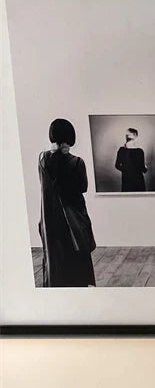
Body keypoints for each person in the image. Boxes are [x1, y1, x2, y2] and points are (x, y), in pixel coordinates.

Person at [38, 118, 96, 287]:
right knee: (77, 261)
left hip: (50, 220)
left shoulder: (42, 160)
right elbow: (83, 188)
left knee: (56, 258)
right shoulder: (77, 162)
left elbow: (46, 187)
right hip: (73, 220)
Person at [115, 127, 147, 192]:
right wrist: (145, 168)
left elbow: (117, 165)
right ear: (136, 137)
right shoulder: (140, 151)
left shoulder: (122, 150)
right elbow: (143, 169)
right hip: (138, 181)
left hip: (126, 180)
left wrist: (127, 170)